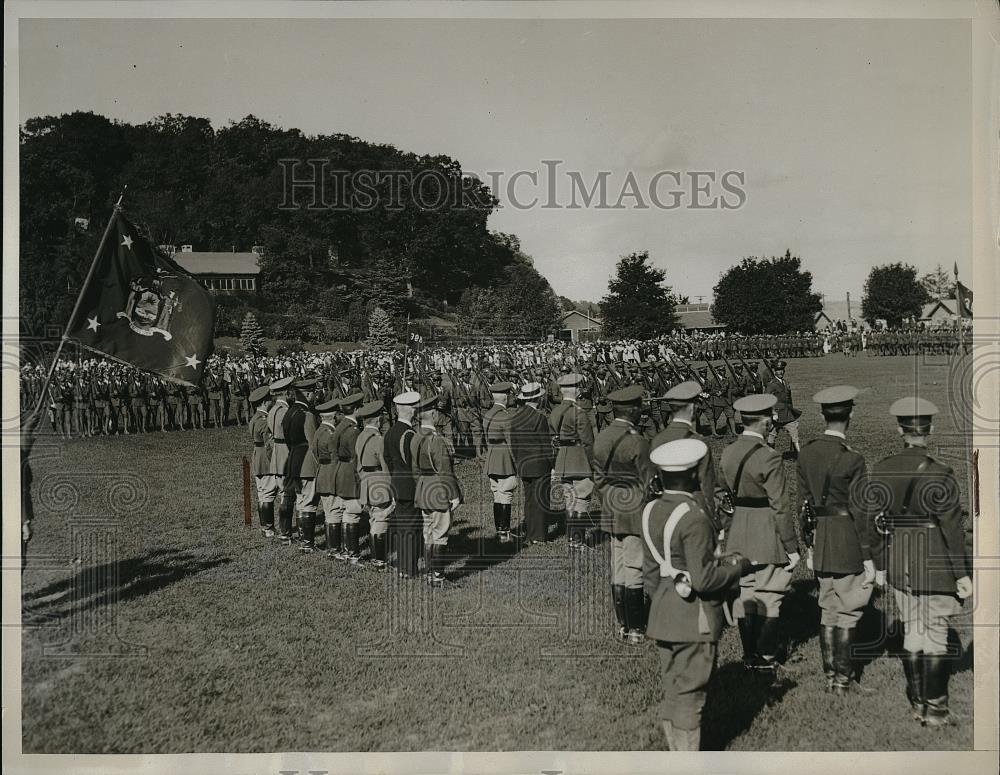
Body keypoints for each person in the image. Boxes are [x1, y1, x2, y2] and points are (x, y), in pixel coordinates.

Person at [642, 438, 753, 751]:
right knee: (692, 695)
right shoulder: (694, 516)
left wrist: (664, 600)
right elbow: (704, 579)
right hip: (693, 617)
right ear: (694, 475)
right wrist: (738, 567)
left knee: (673, 688)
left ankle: (677, 756)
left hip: (662, 612)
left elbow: (650, 572)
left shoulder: (650, 509)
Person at [869, 397, 973, 727]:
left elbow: (874, 522)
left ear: (900, 429)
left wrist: (881, 564)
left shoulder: (883, 468)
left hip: (900, 560)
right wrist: (962, 574)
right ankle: (937, 709)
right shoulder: (941, 473)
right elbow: (952, 530)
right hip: (935, 561)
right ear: (930, 429)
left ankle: (917, 703)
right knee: (937, 634)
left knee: (912, 629)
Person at [797, 385, 874, 694]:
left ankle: (832, 678)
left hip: (821, 540)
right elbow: (861, 511)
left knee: (828, 606)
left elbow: (801, 504)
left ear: (821, 415)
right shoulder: (853, 459)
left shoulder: (807, 453)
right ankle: (843, 678)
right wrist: (868, 556)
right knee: (847, 609)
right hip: (845, 541)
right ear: (851, 415)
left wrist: (809, 545)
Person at [721, 394, 799, 672]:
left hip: (739, 529)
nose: (773, 424)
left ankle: (748, 654)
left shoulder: (728, 452)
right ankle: (765, 656)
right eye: (771, 419)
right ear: (765, 421)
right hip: (765, 528)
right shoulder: (770, 457)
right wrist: (791, 546)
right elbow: (780, 505)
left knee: (746, 593)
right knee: (770, 593)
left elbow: (722, 495)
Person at [592, 384, 654, 645]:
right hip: (634, 509)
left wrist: (611, 497)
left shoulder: (602, 437)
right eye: (639, 407)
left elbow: (598, 478)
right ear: (632, 410)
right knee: (634, 567)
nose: (642, 412)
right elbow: (650, 481)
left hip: (611, 507)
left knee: (617, 566)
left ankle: (623, 625)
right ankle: (637, 627)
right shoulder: (637, 441)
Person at [650, 381, 724, 534]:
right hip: (693, 510)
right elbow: (707, 485)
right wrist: (714, 521)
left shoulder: (657, 440)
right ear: (693, 407)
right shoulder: (698, 441)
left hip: (664, 509)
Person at [411, 394, 462, 585]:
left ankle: (430, 572)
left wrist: (421, 485)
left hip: (423, 486)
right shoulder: (437, 440)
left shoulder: (415, 437)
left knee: (428, 532)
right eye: (437, 413)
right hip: (438, 488)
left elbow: (415, 469)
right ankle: (438, 576)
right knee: (440, 532)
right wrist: (454, 495)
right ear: (432, 414)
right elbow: (445, 471)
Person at [548, 372, 596, 551]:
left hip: (563, 458)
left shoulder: (556, 411)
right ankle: (577, 540)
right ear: (575, 390)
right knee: (581, 500)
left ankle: (571, 539)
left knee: (570, 500)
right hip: (579, 459)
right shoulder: (579, 413)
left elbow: (553, 438)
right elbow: (589, 443)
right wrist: (594, 465)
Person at [505, 382, 554, 545]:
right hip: (540, 465)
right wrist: (552, 465)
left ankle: (530, 533)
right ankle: (539, 536)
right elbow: (546, 445)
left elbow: (514, 444)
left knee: (529, 500)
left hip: (524, 465)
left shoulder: (516, 417)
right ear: (537, 399)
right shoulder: (540, 418)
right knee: (541, 500)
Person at [385, 391, 421, 578]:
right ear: (408, 410)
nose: (416, 411)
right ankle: (409, 568)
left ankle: (403, 566)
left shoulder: (390, 432)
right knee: (412, 529)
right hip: (410, 485)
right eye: (414, 407)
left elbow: (388, 459)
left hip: (397, 483)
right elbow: (414, 463)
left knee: (402, 527)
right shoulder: (409, 434)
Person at [356, 399, 393, 571]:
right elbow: (386, 465)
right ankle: (379, 560)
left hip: (365, 480)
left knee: (373, 517)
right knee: (381, 518)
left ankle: (376, 558)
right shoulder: (379, 439)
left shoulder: (360, 436)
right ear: (377, 420)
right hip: (379, 480)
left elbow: (358, 464)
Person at [482, 381, 518, 543]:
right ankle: (504, 533)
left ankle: (500, 531)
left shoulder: (488, 414)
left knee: (497, 494)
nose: (510, 397)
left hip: (492, 458)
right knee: (506, 495)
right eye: (509, 394)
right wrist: (518, 462)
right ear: (504, 397)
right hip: (504, 459)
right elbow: (512, 443)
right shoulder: (505, 416)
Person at [312, 398, 343, 557]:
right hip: (332, 473)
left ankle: (333, 547)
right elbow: (336, 456)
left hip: (322, 472)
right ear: (334, 416)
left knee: (329, 510)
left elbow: (315, 453)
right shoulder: (331, 434)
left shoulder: (319, 431)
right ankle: (335, 548)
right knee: (335, 510)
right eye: (338, 414)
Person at [264, 376, 293, 537]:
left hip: (276, 451)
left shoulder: (272, 410)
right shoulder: (285, 411)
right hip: (285, 451)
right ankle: (285, 530)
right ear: (287, 393)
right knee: (287, 494)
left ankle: (283, 529)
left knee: (283, 491)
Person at [248, 385, 278, 536]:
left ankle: (265, 527)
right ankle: (268, 528)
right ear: (265, 402)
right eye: (270, 400)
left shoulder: (256, 418)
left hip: (258, 456)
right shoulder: (263, 420)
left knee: (263, 493)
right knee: (267, 493)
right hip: (265, 458)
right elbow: (269, 444)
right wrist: (275, 461)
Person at [766, 360, 801, 458]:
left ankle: (798, 454)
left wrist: (792, 411)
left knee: (794, 431)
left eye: (782, 370)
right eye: (778, 370)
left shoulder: (786, 382)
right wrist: (773, 413)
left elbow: (789, 399)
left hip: (787, 413)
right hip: (776, 414)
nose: (780, 372)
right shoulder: (772, 384)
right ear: (774, 371)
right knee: (772, 434)